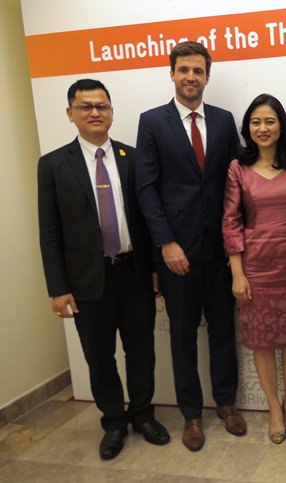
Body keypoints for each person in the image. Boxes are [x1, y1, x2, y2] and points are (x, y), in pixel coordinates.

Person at [37, 79, 170, 460]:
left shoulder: (132, 158)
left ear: (112, 112)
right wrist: (57, 288)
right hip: (86, 281)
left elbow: (148, 220)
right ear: (70, 114)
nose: (95, 112)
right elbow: (49, 233)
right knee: (99, 356)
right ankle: (113, 421)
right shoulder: (53, 165)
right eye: (85, 106)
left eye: (102, 106)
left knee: (142, 351)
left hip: (134, 272)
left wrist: (155, 269)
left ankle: (143, 414)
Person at [135, 41, 246, 451]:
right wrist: (166, 243)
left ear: (207, 76)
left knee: (222, 331)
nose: (191, 77)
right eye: (184, 70)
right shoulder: (152, 122)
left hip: (220, 252)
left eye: (198, 71)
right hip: (176, 254)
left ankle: (227, 404)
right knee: (182, 336)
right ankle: (191, 416)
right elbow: (146, 188)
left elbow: (235, 180)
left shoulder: (223, 120)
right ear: (172, 73)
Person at [222, 94, 286, 444]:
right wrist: (237, 273)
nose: (263, 128)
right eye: (256, 122)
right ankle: (273, 407)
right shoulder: (237, 168)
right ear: (247, 127)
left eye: (270, 121)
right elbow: (230, 222)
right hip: (254, 268)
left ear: (281, 127)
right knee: (261, 343)